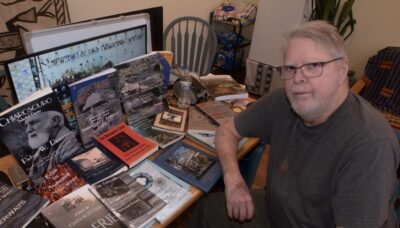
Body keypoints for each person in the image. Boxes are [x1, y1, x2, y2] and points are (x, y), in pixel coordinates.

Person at [189, 20, 400, 227]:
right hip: (277, 210)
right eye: (290, 68)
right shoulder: (282, 101)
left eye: (313, 65)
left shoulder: (370, 146)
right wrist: (234, 182)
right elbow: (227, 131)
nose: (298, 78)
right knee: (207, 210)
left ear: (343, 70)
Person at [25, 110, 82, 182]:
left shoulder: (71, 141)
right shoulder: (41, 149)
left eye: (33, 122)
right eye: (26, 125)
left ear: (55, 120)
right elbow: (33, 180)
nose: (28, 130)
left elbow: (69, 179)